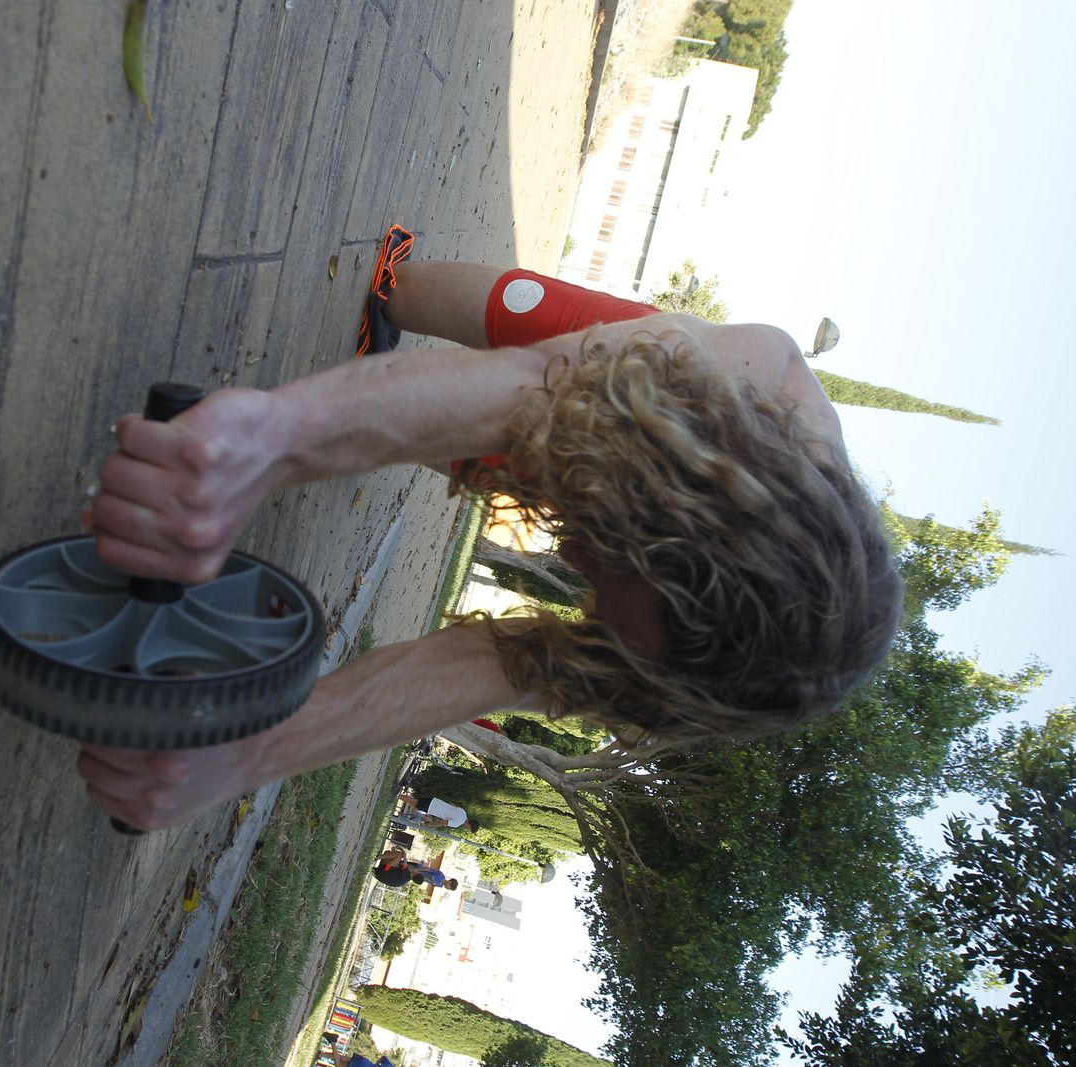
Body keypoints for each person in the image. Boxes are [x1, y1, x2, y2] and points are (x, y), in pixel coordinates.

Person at [76, 230, 903, 833]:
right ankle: (396, 286)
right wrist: (269, 439)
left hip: (632, 474)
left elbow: (483, 668)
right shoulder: (739, 380)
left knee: (490, 462)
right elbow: (518, 386)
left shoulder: (694, 678)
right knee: (503, 329)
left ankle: (392, 419)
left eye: (598, 591)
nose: (570, 557)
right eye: (612, 555)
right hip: (646, 408)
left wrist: (234, 759)